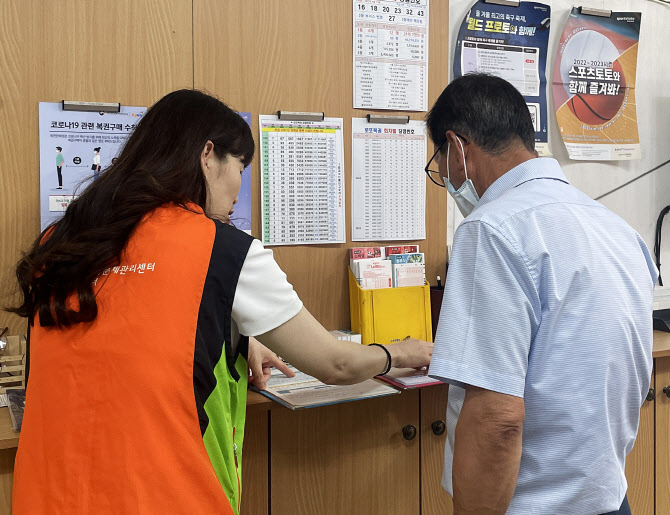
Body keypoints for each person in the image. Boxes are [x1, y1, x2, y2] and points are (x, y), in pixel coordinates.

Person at [8, 89, 432, 514]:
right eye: (241, 167)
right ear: (208, 155)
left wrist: (236, 337)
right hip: (163, 496)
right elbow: (335, 364)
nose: (238, 189)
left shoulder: (61, 243)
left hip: (48, 496)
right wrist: (402, 352)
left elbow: (127, 337)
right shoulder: (222, 248)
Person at [424, 73, 656, 515]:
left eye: (441, 166)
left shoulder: (492, 228)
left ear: (457, 147)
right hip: (610, 499)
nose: (446, 179)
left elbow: (498, 417)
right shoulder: (617, 228)